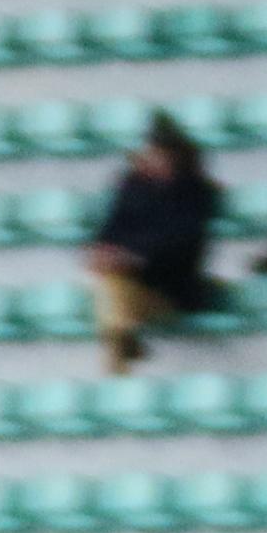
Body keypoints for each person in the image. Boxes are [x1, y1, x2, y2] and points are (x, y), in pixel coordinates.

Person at [87, 113, 229, 373]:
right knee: (111, 285)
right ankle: (122, 343)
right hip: (131, 284)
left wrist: (133, 257)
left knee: (113, 291)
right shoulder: (133, 187)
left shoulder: (196, 192)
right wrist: (105, 254)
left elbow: (182, 245)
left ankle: (121, 349)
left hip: (171, 288)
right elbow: (110, 231)